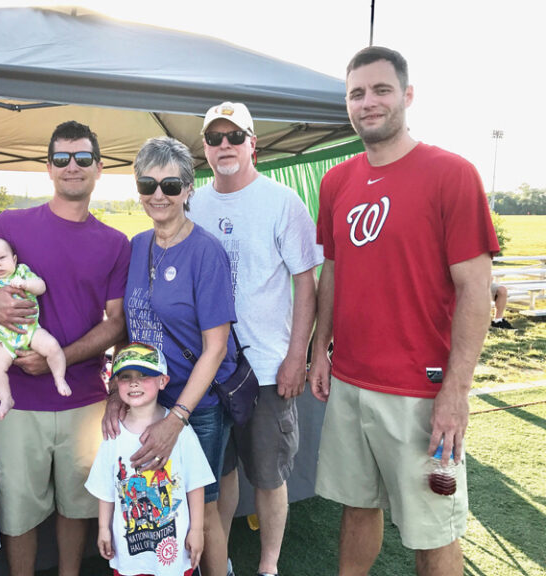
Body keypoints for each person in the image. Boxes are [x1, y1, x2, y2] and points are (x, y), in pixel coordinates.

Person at [308, 46, 499, 576]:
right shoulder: (337, 181)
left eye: (380, 90)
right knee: (357, 506)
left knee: (432, 531)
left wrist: (455, 392)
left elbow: (475, 292)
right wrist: (321, 351)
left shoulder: (451, 173)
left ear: (407, 96)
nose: (368, 103)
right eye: (357, 93)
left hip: (420, 391)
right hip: (350, 382)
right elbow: (335, 272)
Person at [0, 120, 131, 576]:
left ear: (99, 169)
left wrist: (57, 358)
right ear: (48, 167)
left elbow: (117, 323)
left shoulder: (115, 243)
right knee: (19, 513)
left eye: (83, 158)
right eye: (62, 158)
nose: (72, 167)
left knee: (77, 508)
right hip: (17, 404)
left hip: (82, 399)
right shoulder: (9, 225)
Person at [188, 102, 321, 576]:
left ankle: (268, 567)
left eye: (235, 137)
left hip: (265, 367)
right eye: (215, 138)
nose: (225, 145)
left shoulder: (282, 201)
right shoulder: (194, 202)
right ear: (204, 148)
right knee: (217, 475)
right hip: (208, 367)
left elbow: (306, 282)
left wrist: (297, 357)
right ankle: (218, 564)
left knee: (267, 475)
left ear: (252, 144)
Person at [104, 136, 237, 576]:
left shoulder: (206, 252)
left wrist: (176, 418)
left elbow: (216, 346)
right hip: (145, 400)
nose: (158, 194)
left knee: (204, 505)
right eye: (148, 183)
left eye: (171, 185)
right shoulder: (136, 245)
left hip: (193, 406)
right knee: (156, 497)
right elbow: (126, 328)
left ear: (189, 188)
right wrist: (116, 393)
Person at [87, 342, 215, 576]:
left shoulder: (180, 431)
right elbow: (105, 488)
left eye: (144, 375)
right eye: (126, 377)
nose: (134, 382)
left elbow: (195, 484)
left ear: (163, 381)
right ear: (115, 383)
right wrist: (103, 528)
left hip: (172, 550)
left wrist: (197, 529)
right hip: (129, 551)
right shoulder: (113, 433)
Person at [0, 236, 71, 419]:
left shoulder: (21, 273)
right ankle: (6, 398)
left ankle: (59, 378)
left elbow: (41, 286)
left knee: (53, 347)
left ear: (14, 259)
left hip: (31, 331)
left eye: (2, 258)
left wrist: (27, 284)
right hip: (4, 340)